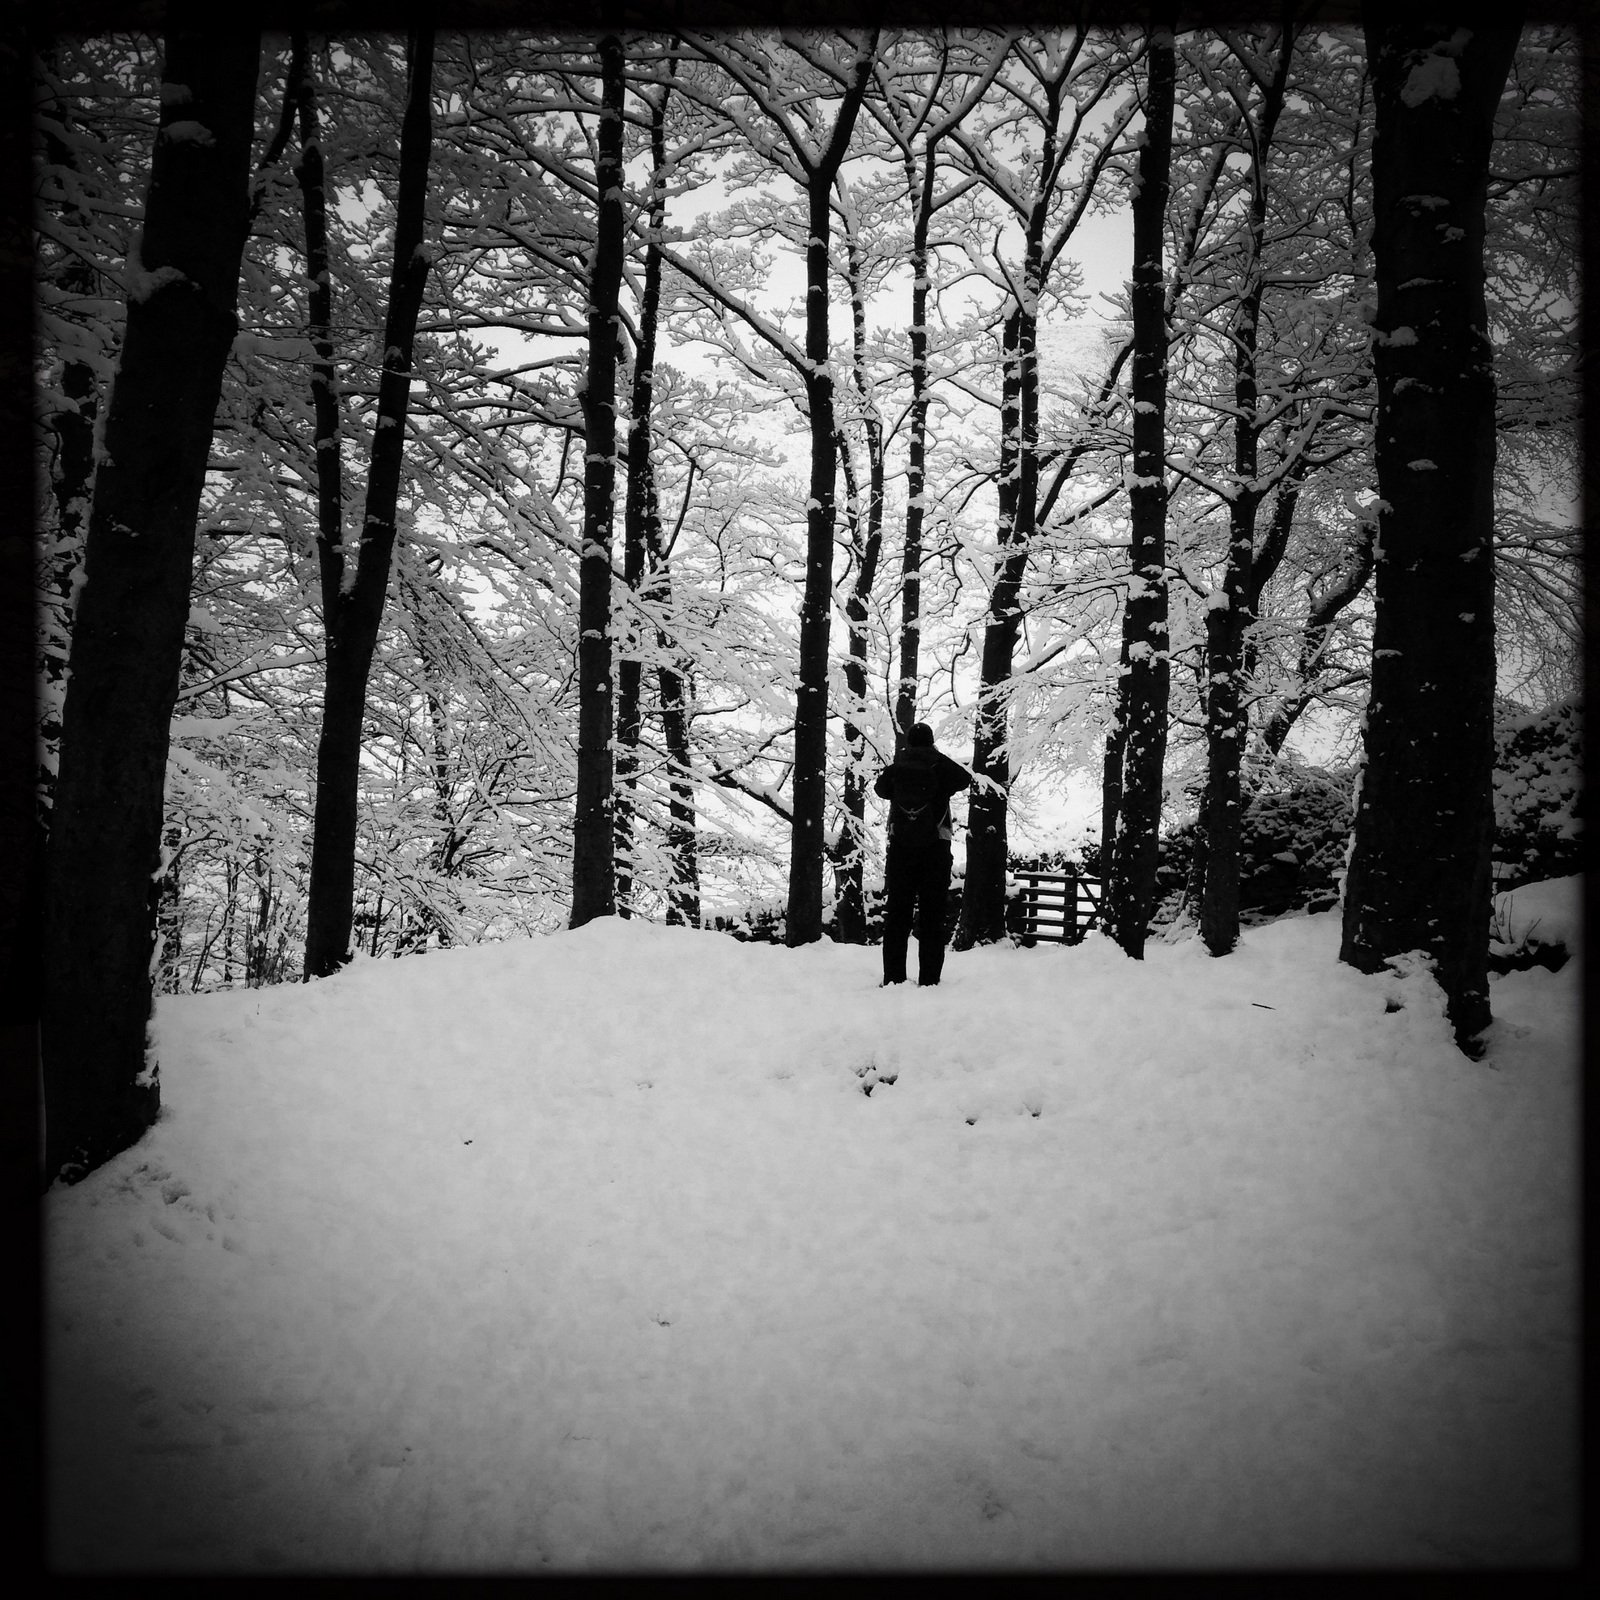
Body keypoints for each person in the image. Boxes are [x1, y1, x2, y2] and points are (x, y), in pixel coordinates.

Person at [873, 722, 971, 986]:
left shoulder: (898, 767)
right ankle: (929, 979)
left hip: (901, 848)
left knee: (897, 915)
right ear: (931, 742)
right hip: (935, 848)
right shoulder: (940, 765)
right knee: (932, 915)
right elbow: (965, 779)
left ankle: (893, 977)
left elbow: (880, 789)